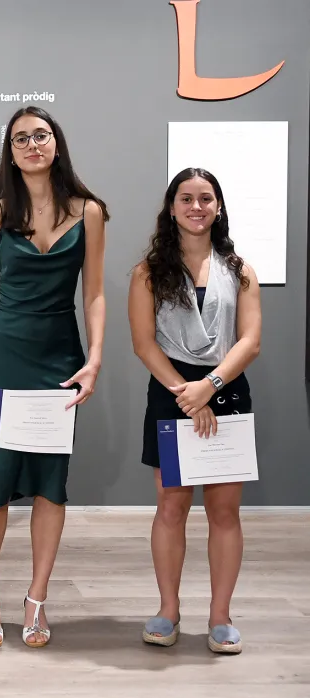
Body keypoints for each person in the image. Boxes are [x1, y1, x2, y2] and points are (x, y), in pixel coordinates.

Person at [0, 106, 109, 648]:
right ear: (10, 149)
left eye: (40, 135)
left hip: (59, 358)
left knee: (52, 483)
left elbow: (93, 293)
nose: (32, 145)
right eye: (21, 138)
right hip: (4, 355)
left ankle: (37, 599)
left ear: (56, 143)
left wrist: (94, 358)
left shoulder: (89, 212)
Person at [127, 167, 261, 654]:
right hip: (170, 393)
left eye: (206, 198)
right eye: (186, 198)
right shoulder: (148, 272)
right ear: (171, 207)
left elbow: (250, 341)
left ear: (218, 207)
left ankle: (221, 617)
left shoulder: (240, 269)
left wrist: (208, 386)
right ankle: (168, 611)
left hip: (226, 392)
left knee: (225, 512)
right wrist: (186, 391)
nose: (196, 206)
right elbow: (144, 344)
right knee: (172, 506)